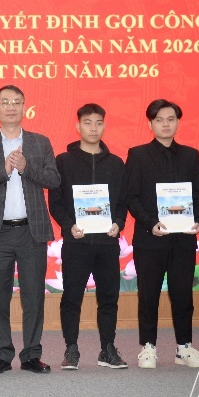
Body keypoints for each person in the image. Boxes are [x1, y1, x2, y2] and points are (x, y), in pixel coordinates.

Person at [0, 85, 60, 375]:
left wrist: (25, 167)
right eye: (5, 102)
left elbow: (53, 180)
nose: (11, 107)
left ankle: (32, 355)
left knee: (33, 297)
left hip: (31, 232)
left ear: (24, 107)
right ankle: (1, 355)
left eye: (16, 102)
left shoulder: (40, 142)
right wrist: (4, 170)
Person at [125, 100, 199, 369]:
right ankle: (148, 347)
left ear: (177, 123)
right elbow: (131, 197)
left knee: (183, 295)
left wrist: (198, 220)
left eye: (171, 119)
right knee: (148, 295)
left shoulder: (191, 155)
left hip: (183, 239)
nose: (165, 124)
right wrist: (150, 223)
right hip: (150, 238)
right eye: (159, 120)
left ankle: (184, 347)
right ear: (150, 124)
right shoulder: (138, 155)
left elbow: (198, 195)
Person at [50, 103, 128, 370]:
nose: (93, 128)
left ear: (104, 126)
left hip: (107, 242)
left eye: (98, 123)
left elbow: (122, 202)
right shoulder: (63, 161)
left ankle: (108, 348)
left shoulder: (116, 164)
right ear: (78, 126)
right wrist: (68, 225)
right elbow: (56, 202)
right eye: (87, 122)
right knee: (72, 297)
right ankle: (71, 348)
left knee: (109, 298)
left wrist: (119, 223)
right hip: (77, 242)